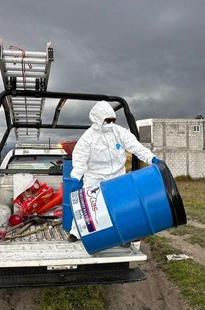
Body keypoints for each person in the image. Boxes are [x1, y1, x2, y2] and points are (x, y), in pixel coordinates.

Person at [67, 100, 160, 242]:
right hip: (96, 176)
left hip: (117, 175)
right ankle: (76, 232)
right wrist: (75, 177)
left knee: (123, 206)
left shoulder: (119, 132)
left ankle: (125, 234)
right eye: (107, 120)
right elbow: (80, 158)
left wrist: (151, 158)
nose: (110, 123)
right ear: (98, 119)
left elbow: (136, 147)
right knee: (87, 206)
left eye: (112, 120)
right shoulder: (88, 137)